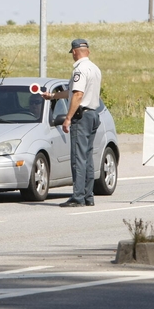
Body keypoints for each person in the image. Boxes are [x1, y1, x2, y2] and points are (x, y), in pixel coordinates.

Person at [41, 38, 101, 207]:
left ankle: (78, 197)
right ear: (87, 51)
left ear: (74, 52)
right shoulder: (94, 68)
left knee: (77, 158)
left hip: (81, 117)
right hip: (93, 114)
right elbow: (72, 92)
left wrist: (67, 118)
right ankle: (88, 196)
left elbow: (77, 95)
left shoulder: (80, 70)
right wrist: (53, 96)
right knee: (87, 157)